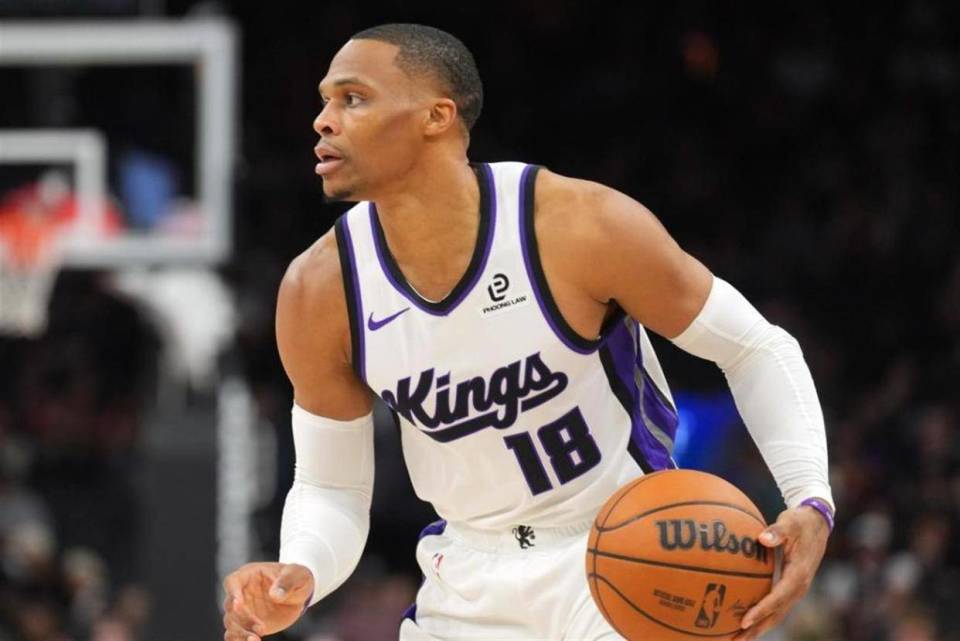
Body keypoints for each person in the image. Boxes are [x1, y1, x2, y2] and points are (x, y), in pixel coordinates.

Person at [222, 23, 835, 641]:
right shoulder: (320, 290)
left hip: (625, 545)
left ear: (437, 116)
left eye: (352, 98)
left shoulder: (575, 226)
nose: (323, 121)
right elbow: (331, 487)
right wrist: (300, 569)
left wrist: (809, 498)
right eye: (325, 101)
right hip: (468, 575)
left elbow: (755, 347)